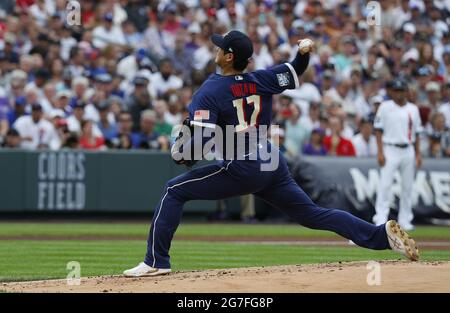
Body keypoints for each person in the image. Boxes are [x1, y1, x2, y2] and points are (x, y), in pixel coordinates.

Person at [124, 31, 419, 277]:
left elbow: (200, 139)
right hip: (270, 159)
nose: (215, 49)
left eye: (220, 47)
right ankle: (381, 236)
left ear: (228, 57)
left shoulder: (210, 90)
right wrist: (303, 53)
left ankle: (155, 262)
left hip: (241, 166)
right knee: (313, 214)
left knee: (173, 190)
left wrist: (183, 155)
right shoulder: (260, 79)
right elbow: (295, 69)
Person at [373, 79, 423, 231]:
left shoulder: (413, 109)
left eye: (402, 90)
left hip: (408, 149)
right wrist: (380, 152)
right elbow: (378, 130)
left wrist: (418, 154)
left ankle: (405, 220)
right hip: (390, 148)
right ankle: (380, 218)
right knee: (385, 185)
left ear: (406, 92)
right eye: (397, 90)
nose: (399, 93)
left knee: (407, 187)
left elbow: (418, 133)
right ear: (392, 91)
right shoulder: (385, 107)